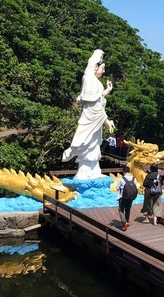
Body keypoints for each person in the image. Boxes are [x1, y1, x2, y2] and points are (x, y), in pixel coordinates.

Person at [62, 49, 115, 180]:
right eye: (102, 68)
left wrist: (107, 91)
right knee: (86, 143)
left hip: (95, 122)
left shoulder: (95, 82)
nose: (104, 71)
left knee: (94, 145)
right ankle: (84, 172)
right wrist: (107, 122)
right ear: (95, 66)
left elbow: (96, 97)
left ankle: (94, 171)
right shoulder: (88, 79)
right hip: (91, 119)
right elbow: (95, 106)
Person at [116, 166, 137, 231]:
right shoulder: (134, 179)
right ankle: (127, 222)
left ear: (123, 172)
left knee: (121, 210)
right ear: (129, 171)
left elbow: (117, 188)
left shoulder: (122, 179)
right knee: (128, 209)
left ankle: (124, 222)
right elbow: (136, 187)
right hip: (131, 196)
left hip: (123, 197)